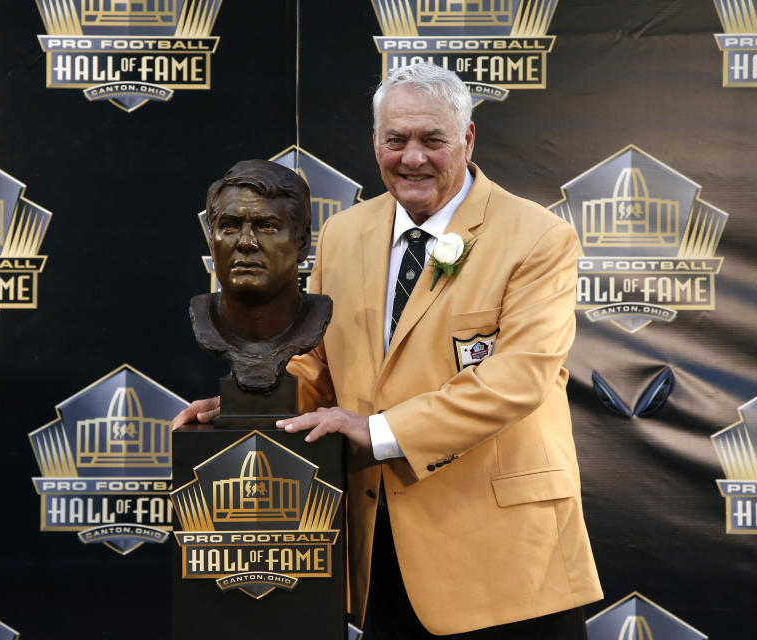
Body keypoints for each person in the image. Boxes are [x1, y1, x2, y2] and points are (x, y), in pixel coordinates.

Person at [174, 63, 602, 637]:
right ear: (375, 143)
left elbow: (518, 379)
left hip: (507, 565)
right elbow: (319, 369)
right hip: (377, 556)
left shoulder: (538, 238)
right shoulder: (344, 235)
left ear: (468, 139)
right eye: (396, 139)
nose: (413, 157)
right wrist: (248, 410)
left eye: (433, 139)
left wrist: (375, 431)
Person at [190, 159, 331, 393]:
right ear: (212, 244)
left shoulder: (316, 318)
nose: (246, 242)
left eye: (267, 226)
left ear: (303, 242)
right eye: (229, 226)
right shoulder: (204, 317)